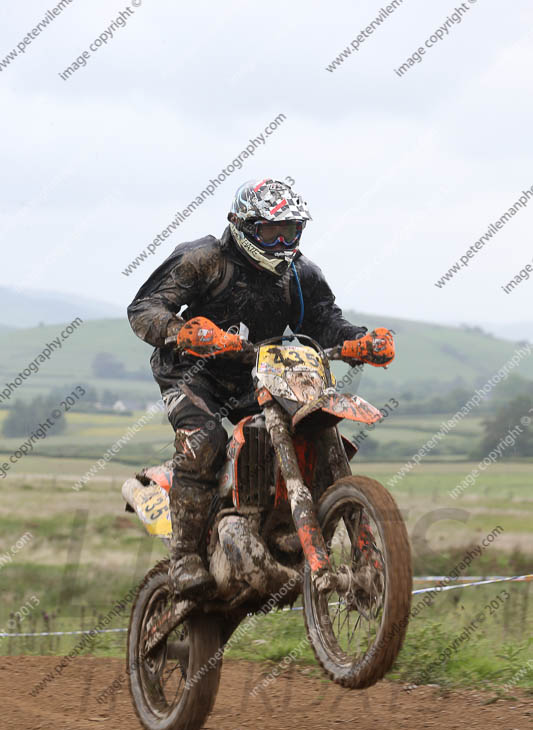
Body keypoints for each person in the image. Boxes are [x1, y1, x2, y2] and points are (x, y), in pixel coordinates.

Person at [128, 178, 394, 598]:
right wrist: (183, 332)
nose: (282, 240)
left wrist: (360, 340)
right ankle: (184, 557)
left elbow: (324, 320)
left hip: (259, 372)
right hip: (192, 374)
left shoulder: (300, 273)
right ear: (241, 224)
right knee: (204, 440)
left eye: (290, 230)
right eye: (271, 231)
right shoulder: (203, 259)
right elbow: (144, 309)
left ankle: (289, 529)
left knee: (310, 427)